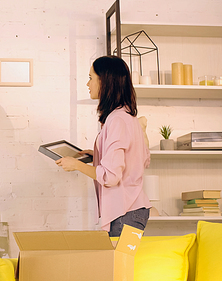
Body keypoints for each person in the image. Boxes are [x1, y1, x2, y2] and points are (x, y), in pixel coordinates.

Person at [56, 55, 151, 237]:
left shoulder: (116, 120)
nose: (87, 84)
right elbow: (141, 158)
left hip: (125, 212)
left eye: (91, 78)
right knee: (120, 266)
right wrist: (99, 153)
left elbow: (111, 176)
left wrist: (76, 165)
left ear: (105, 81)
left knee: (117, 266)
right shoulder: (127, 117)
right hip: (132, 209)